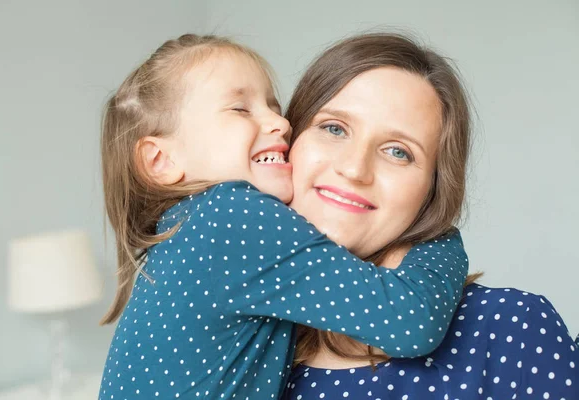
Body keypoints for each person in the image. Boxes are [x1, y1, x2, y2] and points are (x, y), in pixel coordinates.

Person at [97, 34, 469, 399]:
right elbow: (410, 322)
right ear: (161, 161)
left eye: (273, 106)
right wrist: (440, 237)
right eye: (241, 109)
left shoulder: (184, 230)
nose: (282, 124)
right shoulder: (229, 216)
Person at [281, 32, 579, 399]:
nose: (355, 169)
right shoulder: (235, 341)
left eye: (398, 152)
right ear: (287, 139)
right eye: (334, 128)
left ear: (432, 190)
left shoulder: (509, 329)